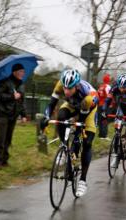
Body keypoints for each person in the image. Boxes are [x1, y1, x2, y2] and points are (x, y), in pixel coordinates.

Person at [40, 69, 98, 197]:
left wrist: (78, 133)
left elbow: (84, 115)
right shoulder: (61, 84)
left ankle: (83, 181)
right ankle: (64, 149)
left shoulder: (88, 94)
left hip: (89, 109)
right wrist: (46, 117)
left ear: (77, 86)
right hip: (73, 104)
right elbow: (51, 104)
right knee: (61, 116)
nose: (66, 91)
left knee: (87, 142)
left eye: (69, 88)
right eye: (65, 88)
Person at [101, 73, 126, 168]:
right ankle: (115, 156)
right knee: (117, 131)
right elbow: (107, 101)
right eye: (120, 87)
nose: (122, 89)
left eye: (124, 88)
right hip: (121, 106)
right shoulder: (114, 87)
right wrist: (104, 110)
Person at [0, 63, 27, 167]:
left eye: (23, 71)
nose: (23, 73)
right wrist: (12, 96)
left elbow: (21, 101)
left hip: (13, 114)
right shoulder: (4, 82)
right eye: (21, 71)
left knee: (8, 138)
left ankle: (4, 160)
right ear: (15, 72)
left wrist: (23, 115)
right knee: (1, 137)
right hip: (3, 113)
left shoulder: (21, 84)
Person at [97, 73, 111, 139]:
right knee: (105, 120)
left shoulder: (100, 87)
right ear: (108, 80)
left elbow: (97, 96)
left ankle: (100, 135)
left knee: (100, 120)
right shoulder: (108, 87)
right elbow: (109, 96)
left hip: (99, 105)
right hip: (105, 106)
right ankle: (104, 135)